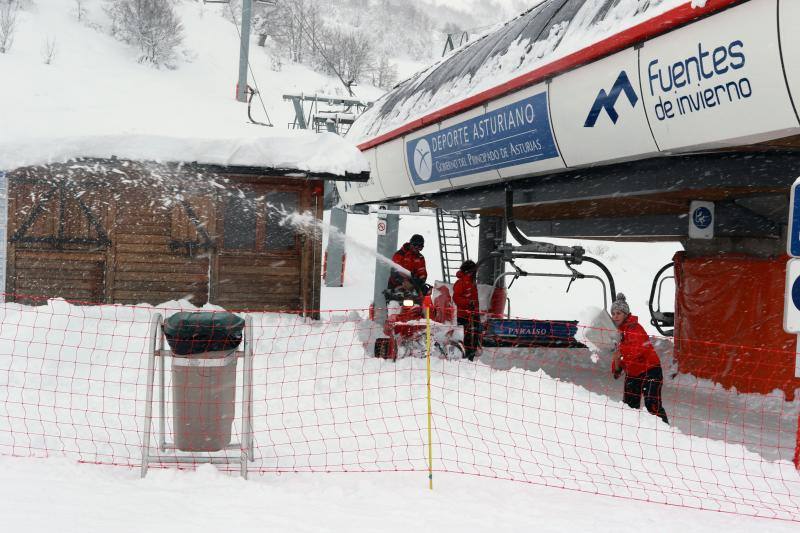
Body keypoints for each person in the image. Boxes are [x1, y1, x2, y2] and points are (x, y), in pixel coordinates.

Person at [610, 293, 669, 424]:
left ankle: (666, 432)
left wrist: (620, 353)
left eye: (618, 313)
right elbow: (617, 370)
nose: (615, 316)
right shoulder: (617, 333)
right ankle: (632, 432)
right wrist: (616, 361)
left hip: (650, 370)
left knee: (652, 405)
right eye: (613, 314)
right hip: (633, 374)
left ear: (626, 314)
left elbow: (637, 350)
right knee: (629, 407)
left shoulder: (634, 328)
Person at [453, 260, 481, 361]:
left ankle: (471, 357)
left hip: (474, 315)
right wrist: (468, 303)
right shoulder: (461, 282)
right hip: (464, 316)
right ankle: (466, 358)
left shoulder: (471, 282)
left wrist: (476, 311)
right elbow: (456, 298)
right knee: (467, 338)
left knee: (474, 337)